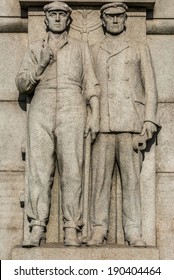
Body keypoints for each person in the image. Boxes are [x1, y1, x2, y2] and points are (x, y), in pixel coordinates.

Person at [16, 1, 99, 247]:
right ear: (46, 19)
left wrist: (95, 114)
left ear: (68, 19)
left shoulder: (80, 47)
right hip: (41, 102)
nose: (57, 18)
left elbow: (91, 83)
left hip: (72, 104)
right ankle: (37, 226)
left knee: (72, 168)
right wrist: (41, 64)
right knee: (40, 169)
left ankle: (71, 226)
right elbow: (22, 84)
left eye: (62, 14)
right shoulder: (35, 48)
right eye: (53, 14)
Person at [87, 2, 158, 247]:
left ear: (125, 19)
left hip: (131, 122)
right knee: (100, 182)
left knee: (131, 182)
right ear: (103, 20)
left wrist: (149, 119)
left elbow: (150, 86)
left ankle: (133, 231)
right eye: (110, 16)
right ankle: (98, 229)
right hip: (103, 124)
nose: (115, 21)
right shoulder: (93, 49)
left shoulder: (138, 47)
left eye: (119, 16)